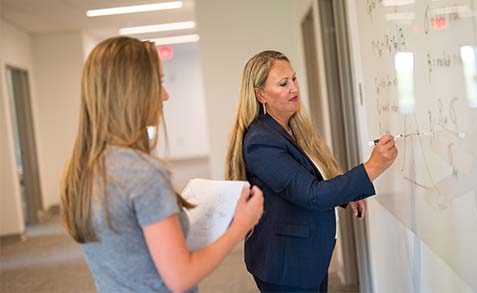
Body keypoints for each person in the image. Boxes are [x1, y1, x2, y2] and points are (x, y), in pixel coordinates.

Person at [60, 36, 264, 293]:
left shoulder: (81, 170)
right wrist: (240, 226)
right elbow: (181, 277)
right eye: (159, 82)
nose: (165, 95)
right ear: (133, 92)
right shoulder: (141, 173)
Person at [225, 50, 398, 292]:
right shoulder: (261, 141)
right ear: (260, 94)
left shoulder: (291, 128)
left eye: (294, 79)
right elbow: (312, 195)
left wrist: (347, 194)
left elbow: (309, 179)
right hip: (285, 265)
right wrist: (372, 167)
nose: (294, 88)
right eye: (283, 83)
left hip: (307, 257)